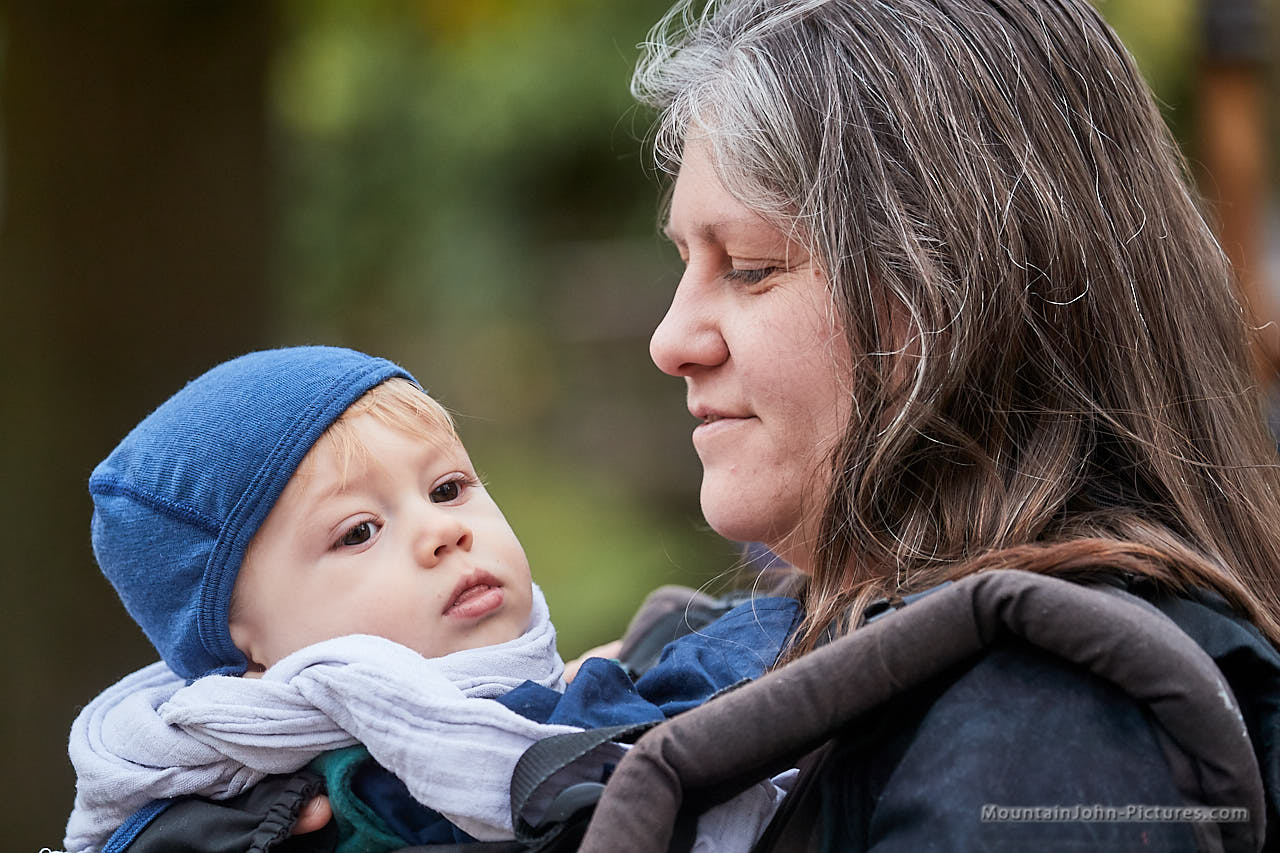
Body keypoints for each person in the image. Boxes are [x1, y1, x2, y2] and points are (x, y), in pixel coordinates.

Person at [606, 0, 1280, 848]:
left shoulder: (1047, 739)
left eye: (749, 267)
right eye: (685, 262)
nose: (671, 341)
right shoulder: (867, 653)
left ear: (957, 298)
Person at [62, 346, 799, 853]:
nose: (443, 531)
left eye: (448, 488)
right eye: (358, 531)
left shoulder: (584, 679)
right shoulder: (370, 788)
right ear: (246, 646)